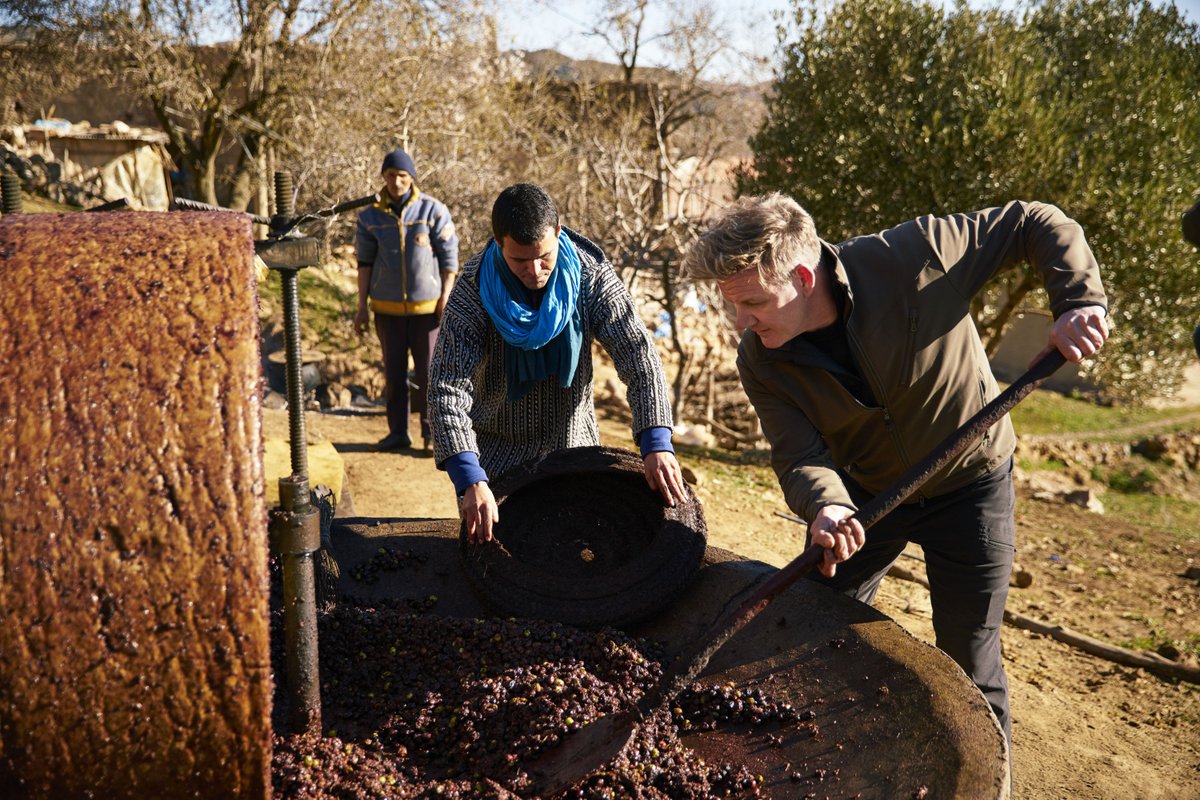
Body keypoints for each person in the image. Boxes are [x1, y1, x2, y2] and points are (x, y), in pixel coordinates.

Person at [682, 194, 1109, 748]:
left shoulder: (913, 257)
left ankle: (988, 774)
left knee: (970, 660)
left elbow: (1033, 221)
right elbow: (798, 454)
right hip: (866, 498)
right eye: (733, 305)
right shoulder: (761, 360)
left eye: (753, 303)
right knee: (810, 620)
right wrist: (826, 505)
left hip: (971, 485)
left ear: (804, 279)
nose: (741, 322)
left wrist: (1078, 301)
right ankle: (812, 753)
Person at [429, 182, 688, 542]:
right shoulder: (472, 290)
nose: (535, 270)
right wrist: (469, 477)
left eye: (544, 257)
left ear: (558, 232)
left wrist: (656, 441)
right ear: (499, 243)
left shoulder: (590, 274)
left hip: (576, 452)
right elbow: (446, 387)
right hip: (494, 463)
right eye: (520, 261)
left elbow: (638, 355)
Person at [355, 147, 459, 451]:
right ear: (383, 177)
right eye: (390, 175)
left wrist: (445, 296)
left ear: (411, 177)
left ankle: (433, 435)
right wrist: (361, 307)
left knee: (430, 373)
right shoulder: (369, 217)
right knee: (394, 373)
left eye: (402, 175)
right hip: (386, 310)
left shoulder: (432, 211)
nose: (396, 181)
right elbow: (364, 263)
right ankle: (398, 433)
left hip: (427, 310)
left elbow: (449, 259)